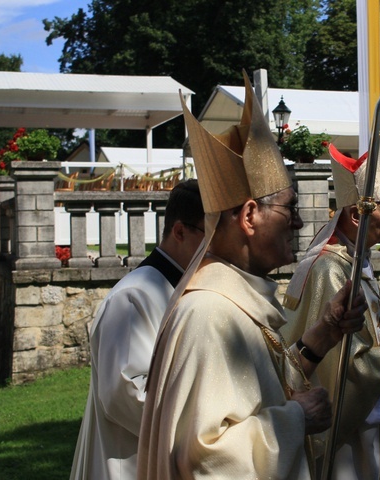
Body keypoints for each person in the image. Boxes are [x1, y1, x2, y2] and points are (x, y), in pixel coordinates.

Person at [137, 73, 366, 479]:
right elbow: (204, 457)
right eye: (288, 209)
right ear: (248, 216)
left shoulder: (228, 301)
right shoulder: (208, 313)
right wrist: (295, 419)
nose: (298, 224)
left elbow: (257, 392)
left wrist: (325, 332)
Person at [283, 141, 380, 480]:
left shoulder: (355, 260)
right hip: (350, 433)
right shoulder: (331, 271)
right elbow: (337, 369)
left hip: (371, 408)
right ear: (357, 215)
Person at [69, 180, 204, 480]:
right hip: (128, 464)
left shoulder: (180, 288)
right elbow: (126, 392)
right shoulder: (135, 297)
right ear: (180, 231)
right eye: (212, 236)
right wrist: (209, 423)